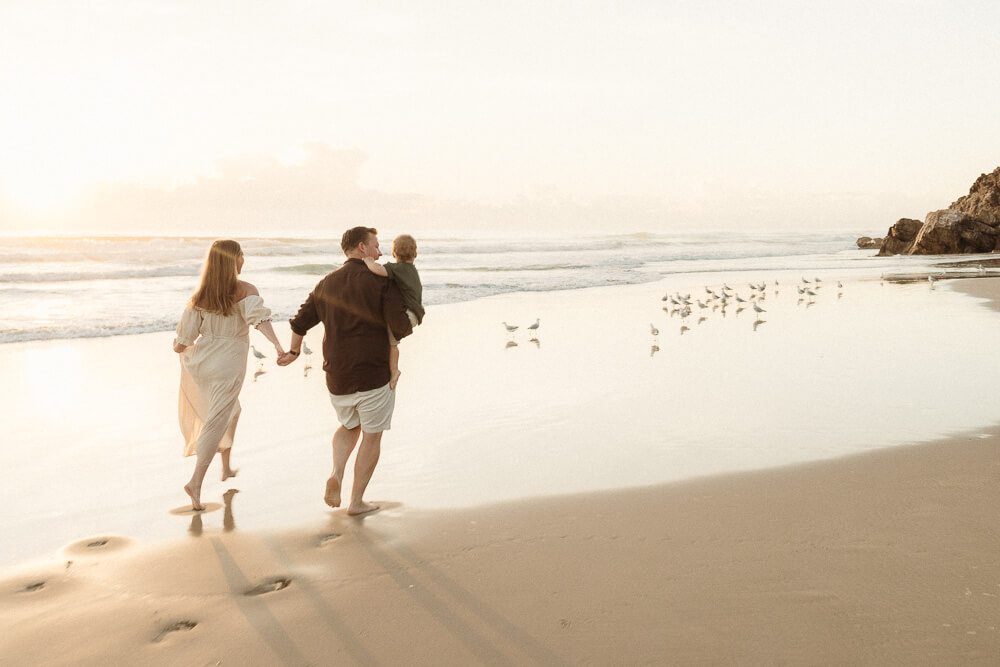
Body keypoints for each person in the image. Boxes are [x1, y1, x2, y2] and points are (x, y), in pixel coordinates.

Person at [277, 227, 412, 516]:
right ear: (362, 247)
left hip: (336, 374)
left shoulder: (325, 283)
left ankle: (337, 473)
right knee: (372, 435)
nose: (381, 252)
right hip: (374, 371)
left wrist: (294, 352)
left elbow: (299, 323)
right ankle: (357, 502)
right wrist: (411, 318)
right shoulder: (381, 282)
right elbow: (400, 326)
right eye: (376, 246)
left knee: (350, 425)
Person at [173, 240, 284, 511]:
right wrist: (278, 347)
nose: (244, 259)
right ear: (233, 260)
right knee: (217, 419)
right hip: (229, 362)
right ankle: (195, 482)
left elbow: (183, 339)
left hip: (204, 359)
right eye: (241, 255)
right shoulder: (246, 289)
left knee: (232, 410)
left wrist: (178, 347)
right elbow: (260, 320)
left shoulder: (200, 295)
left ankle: (225, 468)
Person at [363, 233, 424, 389]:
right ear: (415, 254)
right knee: (391, 342)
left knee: (392, 344)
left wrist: (368, 261)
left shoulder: (395, 268)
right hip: (415, 313)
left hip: (408, 315)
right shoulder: (411, 269)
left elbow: (378, 270)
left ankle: (394, 371)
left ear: (394, 253)